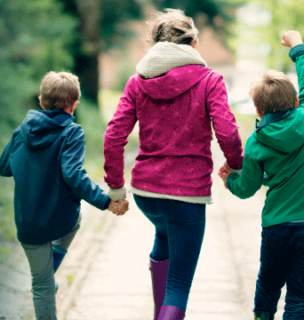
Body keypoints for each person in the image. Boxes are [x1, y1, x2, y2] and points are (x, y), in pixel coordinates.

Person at [103, 9, 244, 320]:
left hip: (147, 194)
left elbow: (114, 135)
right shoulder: (210, 80)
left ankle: (159, 314)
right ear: (193, 43)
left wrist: (116, 188)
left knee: (164, 236)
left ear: (155, 43)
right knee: (178, 284)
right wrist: (235, 165)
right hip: (187, 195)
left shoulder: (136, 82)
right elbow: (227, 131)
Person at [0, 71, 129, 320]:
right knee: (75, 220)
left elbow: (3, 167)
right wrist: (105, 201)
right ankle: (48, 274)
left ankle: (46, 276)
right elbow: (72, 174)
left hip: (28, 223)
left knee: (41, 284)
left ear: (40, 100)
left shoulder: (21, 131)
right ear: (74, 103)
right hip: (61, 220)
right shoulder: (72, 132)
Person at [219, 30, 304, 320]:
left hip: (276, 227)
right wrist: (298, 49)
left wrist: (229, 179)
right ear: (295, 102)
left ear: (258, 109)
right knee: (299, 296)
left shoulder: (256, 142)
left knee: (267, 285)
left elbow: (246, 188)